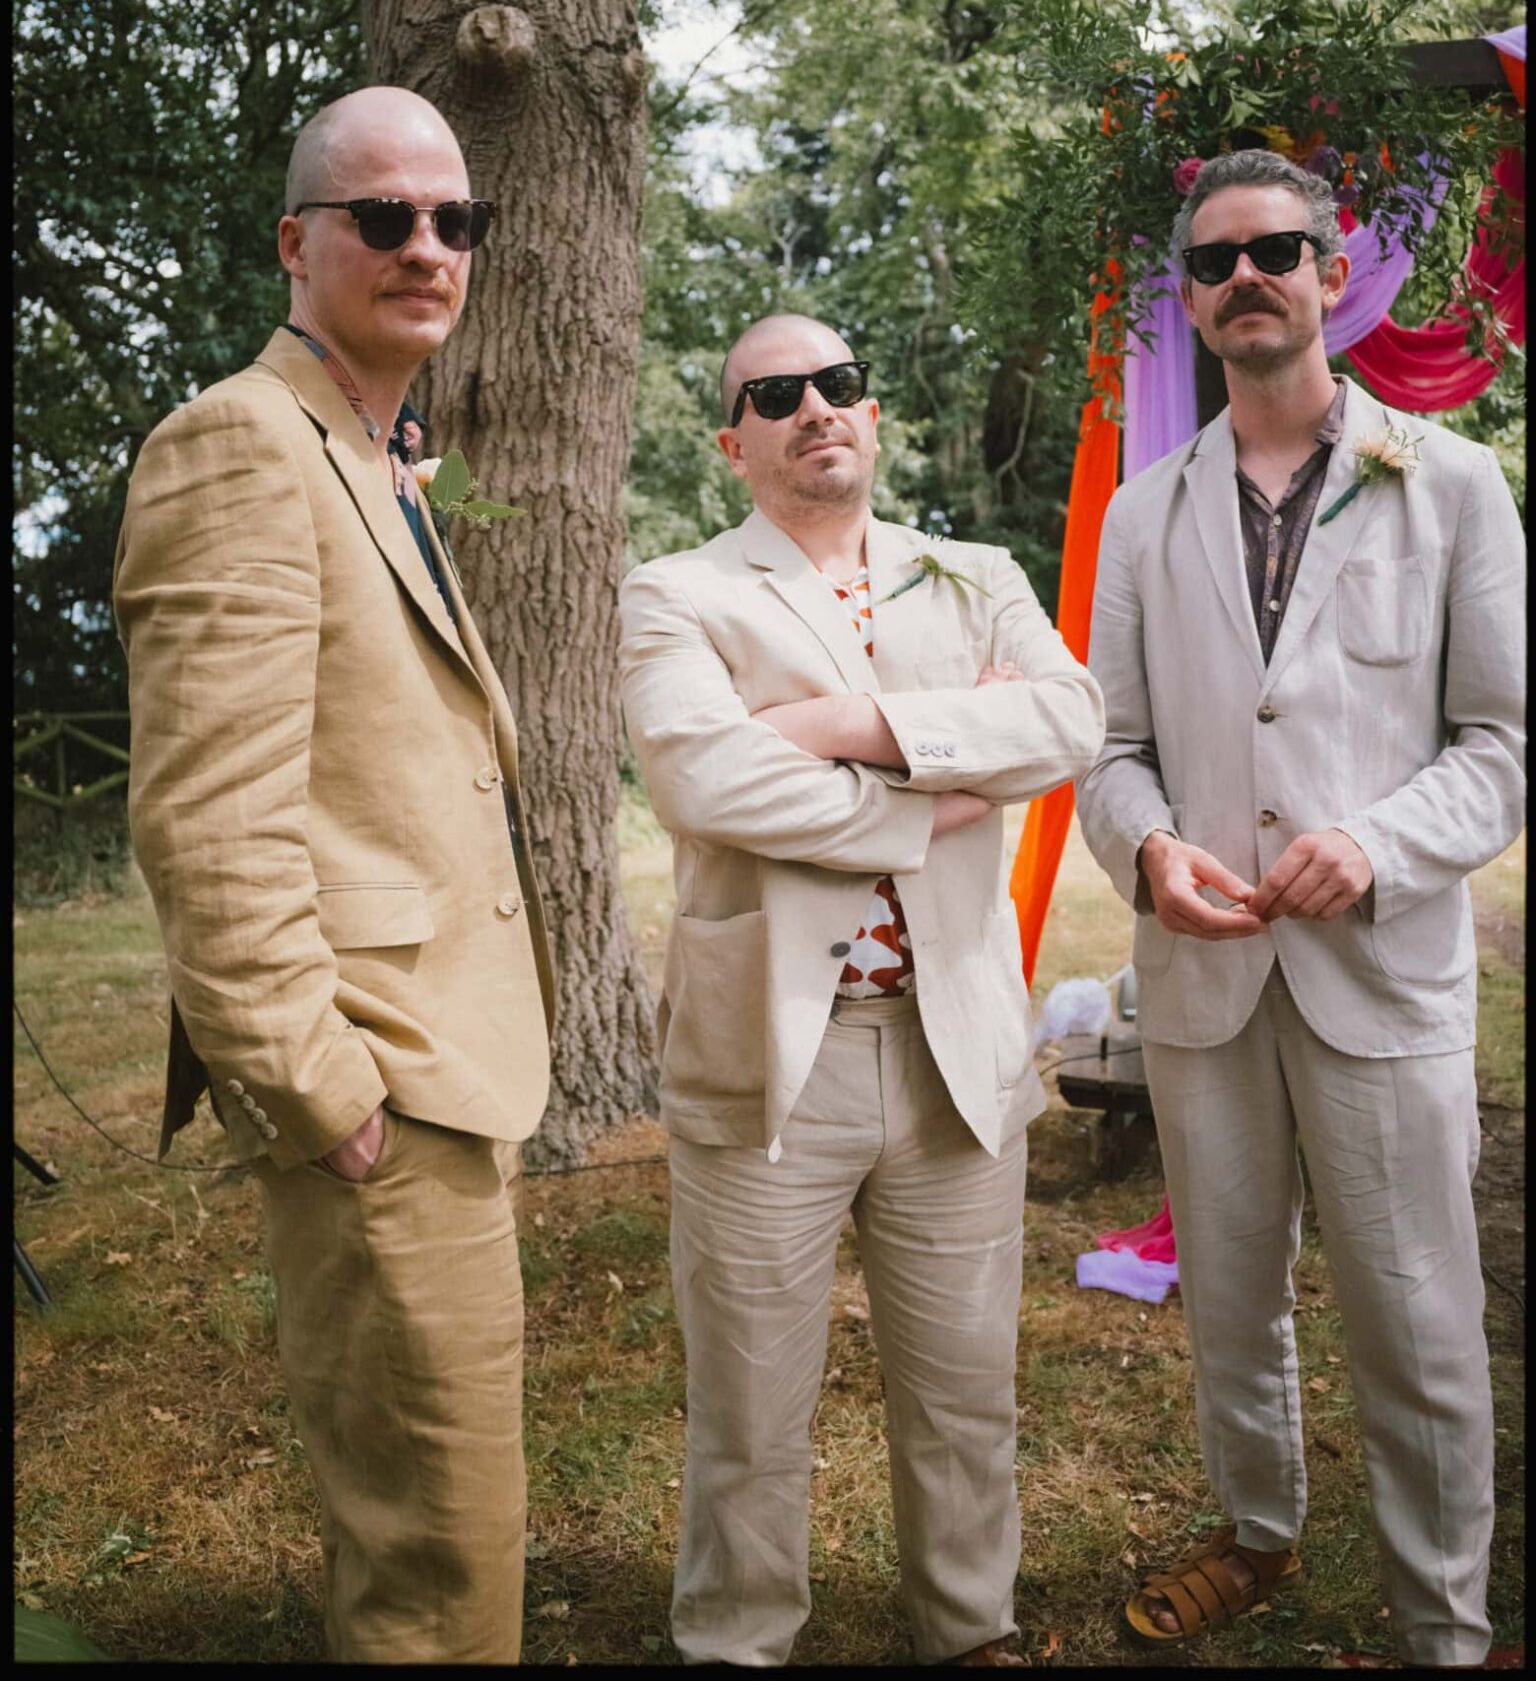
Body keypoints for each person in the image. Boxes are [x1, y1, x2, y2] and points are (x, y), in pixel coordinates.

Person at [113, 86, 556, 1663]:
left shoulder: (370, 451)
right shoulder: (238, 444)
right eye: (383, 216)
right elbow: (208, 819)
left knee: (457, 1532)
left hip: (443, 1073)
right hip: (376, 1086)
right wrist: (322, 1094)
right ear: (296, 244)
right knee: (435, 1579)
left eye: (454, 219)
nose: (426, 245)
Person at [1076, 148, 1525, 1667]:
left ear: (1333, 275)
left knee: (1418, 1314)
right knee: (1230, 1296)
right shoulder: (1144, 513)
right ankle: (1256, 1531)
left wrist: (1382, 846)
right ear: (1193, 302)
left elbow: (1503, 742)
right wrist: (1149, 853)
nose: (1245, 277)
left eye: (1274, 250)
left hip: (1379, 969)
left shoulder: (1450, 483)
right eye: (1214, 262)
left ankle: (1442, 1617)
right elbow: (1109, 748)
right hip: (1204, 977)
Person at [618, 313, 1105, 1667]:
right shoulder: (676, 592)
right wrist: (935, 798)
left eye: (838, 383)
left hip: (957, 1047)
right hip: (771, 1055)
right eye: (776, 394)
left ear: (872, 415)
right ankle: (737, 1642)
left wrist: (835, 728)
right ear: (735, 445)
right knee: (748, 1411)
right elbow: (705, 779)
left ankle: (969, 1629)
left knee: (966, 1391)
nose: (815, 407)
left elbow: (1067, 721)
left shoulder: (976, 574)